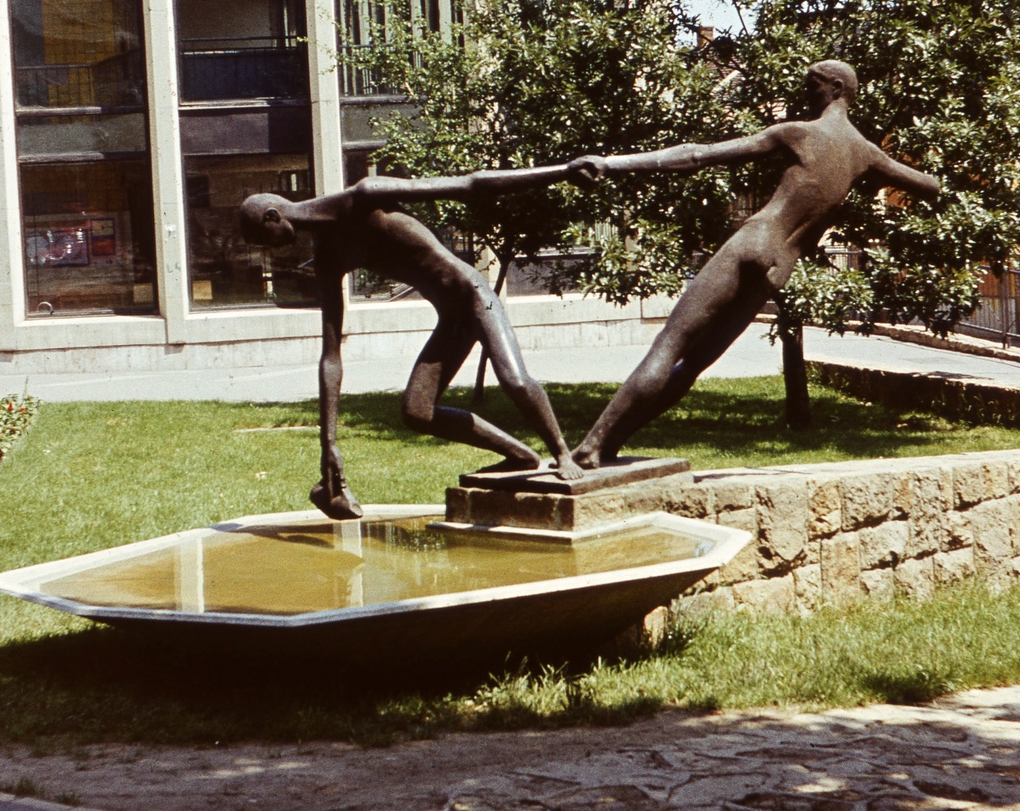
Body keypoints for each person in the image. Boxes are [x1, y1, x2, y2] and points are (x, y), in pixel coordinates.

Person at [568, 59, 942, 468]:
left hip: (755, 241)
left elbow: (698, 156)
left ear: (837, 88)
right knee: (692, 365)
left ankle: (591, 447)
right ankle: (607, 447)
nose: (805, 94)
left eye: (812, 86)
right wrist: (935, 181)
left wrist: (611, 163)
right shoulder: (866, 153)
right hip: (778, 269)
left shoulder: (799, 133)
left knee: (669, 347)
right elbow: (929, 185)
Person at [238, 166, 584, 520]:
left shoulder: (366, 196)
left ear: (272, 216)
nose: (271, 250)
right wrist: (329, 444)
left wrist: (563, 172)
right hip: (452, 315)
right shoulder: (328, 258)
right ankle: (522, 456)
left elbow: (470, 184)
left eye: (263, 240)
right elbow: (331, 356)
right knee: (417, 412)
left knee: (514, 380)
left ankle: (562, 454)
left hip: (477, 296)